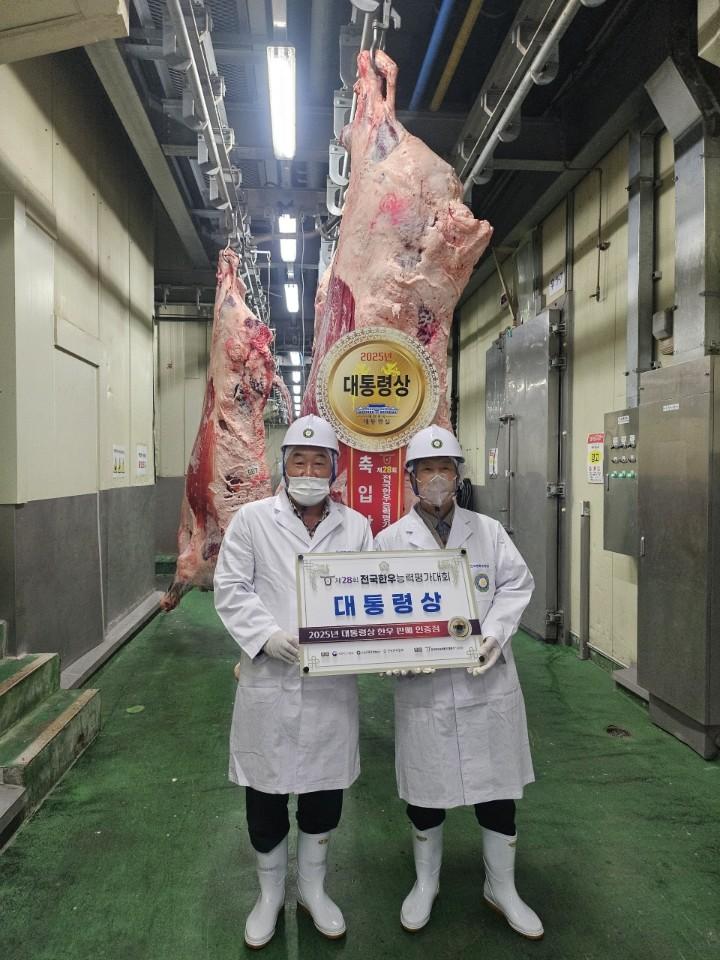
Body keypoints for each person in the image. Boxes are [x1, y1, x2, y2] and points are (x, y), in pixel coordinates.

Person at [374, 424, 543, 940]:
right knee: (425, 791)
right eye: (426, 469)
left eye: (445, 468)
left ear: (458, 475)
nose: (436, 478)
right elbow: (375, 608)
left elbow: (516, 584)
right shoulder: (389, 541)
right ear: (411, 477)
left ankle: (501, 887)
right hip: (423, 688)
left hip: (486, 681)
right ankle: (426, 883)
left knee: (498, 791)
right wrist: (392, 651)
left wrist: (495, 635)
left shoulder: (488, 531)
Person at [214, 414, 373, 949]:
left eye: (318, 462)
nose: (308, 471)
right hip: (269, 678)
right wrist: (266, 637)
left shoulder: (356, 527)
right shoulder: (252, 521)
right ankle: (268, 895)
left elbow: (369, 596)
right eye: (298, 461)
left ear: (335, 469)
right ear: (283, 467)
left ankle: (313, 889)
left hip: (331, 686)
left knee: (324, 794)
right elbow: (231, 587)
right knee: (265, 795)